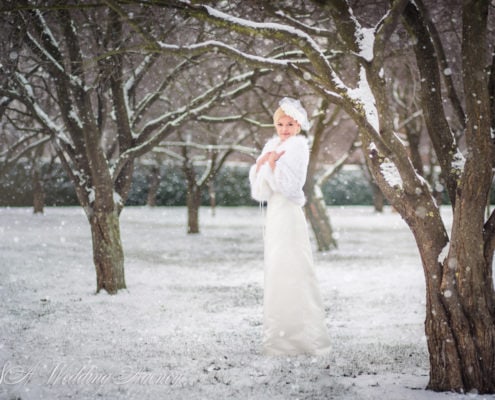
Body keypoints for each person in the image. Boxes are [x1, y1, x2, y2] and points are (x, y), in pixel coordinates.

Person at [249, 97, 331, 356]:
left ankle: (301, 339)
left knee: (293, 268)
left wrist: (272, 165)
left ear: (298, 126)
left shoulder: (298, 148)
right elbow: (260, 190)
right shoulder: (272, 144)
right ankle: (279, 338)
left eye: (290, 123)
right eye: (280, 123)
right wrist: (261, 166)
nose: (284, 128)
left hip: (288, 212)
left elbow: (292, 186)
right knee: (276, 269)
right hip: (274, 212)